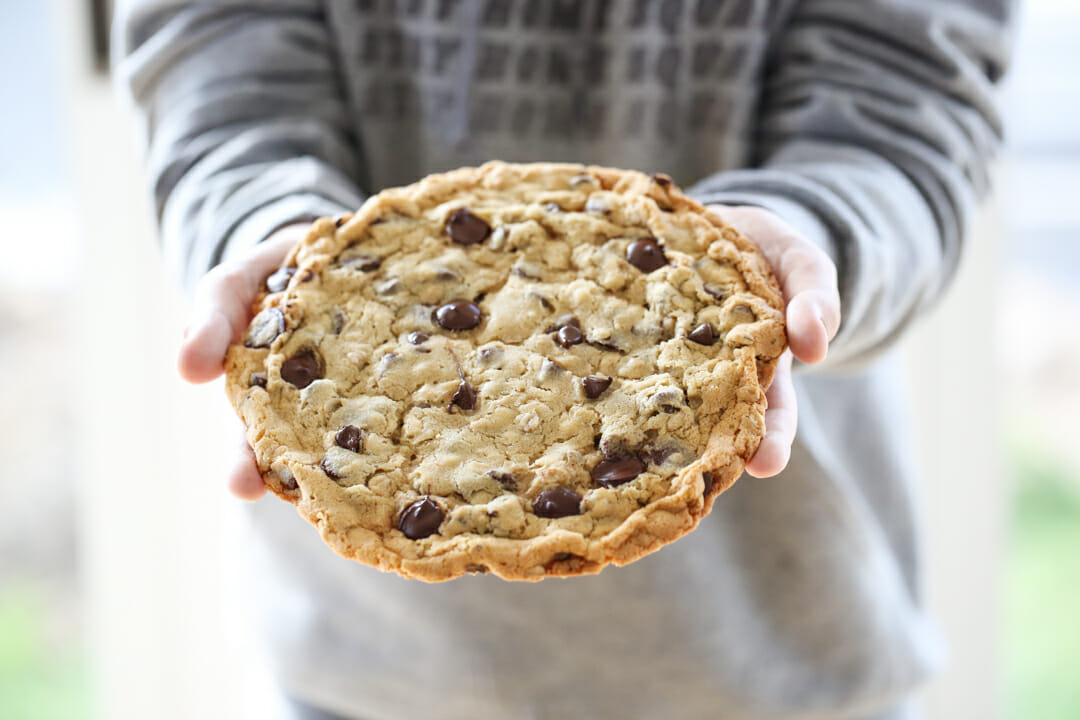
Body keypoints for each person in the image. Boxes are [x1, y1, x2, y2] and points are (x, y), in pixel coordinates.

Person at [115, 1, 1013, 718]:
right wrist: (268, 228)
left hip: (783, 652)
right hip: (363, 669)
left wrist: (804, 242)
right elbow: (218, 53)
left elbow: (904, 93)